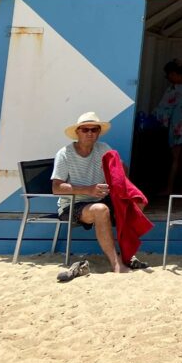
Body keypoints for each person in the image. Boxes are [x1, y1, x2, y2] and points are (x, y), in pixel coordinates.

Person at [51, 112, 146, 274]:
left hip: (100, 199)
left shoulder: (103, 149)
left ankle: (126, 254)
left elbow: (122, 174)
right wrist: (88, 189)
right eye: (85, 129)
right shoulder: (64, 154)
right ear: (77, 132)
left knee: (137, 202)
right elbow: (56, 188)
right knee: (101, 209)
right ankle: (116, 264)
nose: (89, 133)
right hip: (73, 204)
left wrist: (119, 168)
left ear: (98, 132)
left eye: (94, 130)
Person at [154, 59, 182, 195]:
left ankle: (169, 188)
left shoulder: (173, 88)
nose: (168, 78)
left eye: (168, 75)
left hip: (178, 126)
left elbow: (163, 107)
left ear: (173, 73)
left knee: (175, 159)